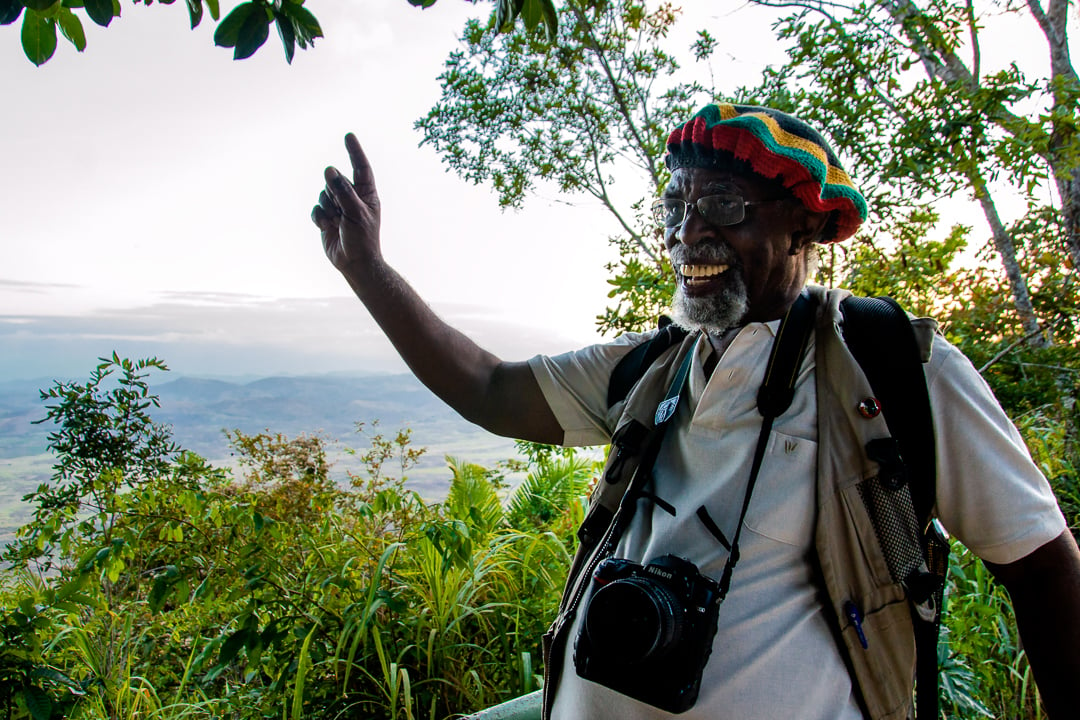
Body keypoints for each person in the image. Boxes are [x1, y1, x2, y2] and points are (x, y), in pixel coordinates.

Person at [312, 103, 1080, 719]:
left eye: (722, 203)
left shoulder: (887, 368)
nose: (689, 231)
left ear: (804, 225)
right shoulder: (654, 367)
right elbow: (486, 388)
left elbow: (1043, 566)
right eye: (676, 204)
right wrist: (368, 270)